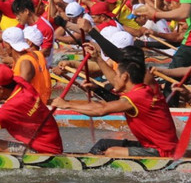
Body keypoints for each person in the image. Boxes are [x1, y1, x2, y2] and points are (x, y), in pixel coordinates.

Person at [51, 49, 180, 158]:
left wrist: (67, 104)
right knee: (103, 144)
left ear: (124, 77)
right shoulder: (140, 90)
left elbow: (101, 109)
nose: (114, 79)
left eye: (117, 75)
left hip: (163, 153)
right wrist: (98, 85)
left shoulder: (138, 95)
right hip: (152, 146)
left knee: (111, 152)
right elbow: (113, 99)